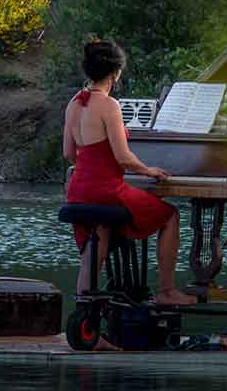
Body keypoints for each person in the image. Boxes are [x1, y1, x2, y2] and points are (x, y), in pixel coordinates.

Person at [63, 38, 196, 307]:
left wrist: (95, 165)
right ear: (115, 73)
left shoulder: (74, 103)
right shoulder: (109, 106)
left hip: (78, 189)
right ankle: (166, 291)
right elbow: (123, 158)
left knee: (98, 236)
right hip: (105, 191)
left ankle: (85, 310)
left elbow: (69, 153)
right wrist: (149, 170)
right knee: (170, 215)